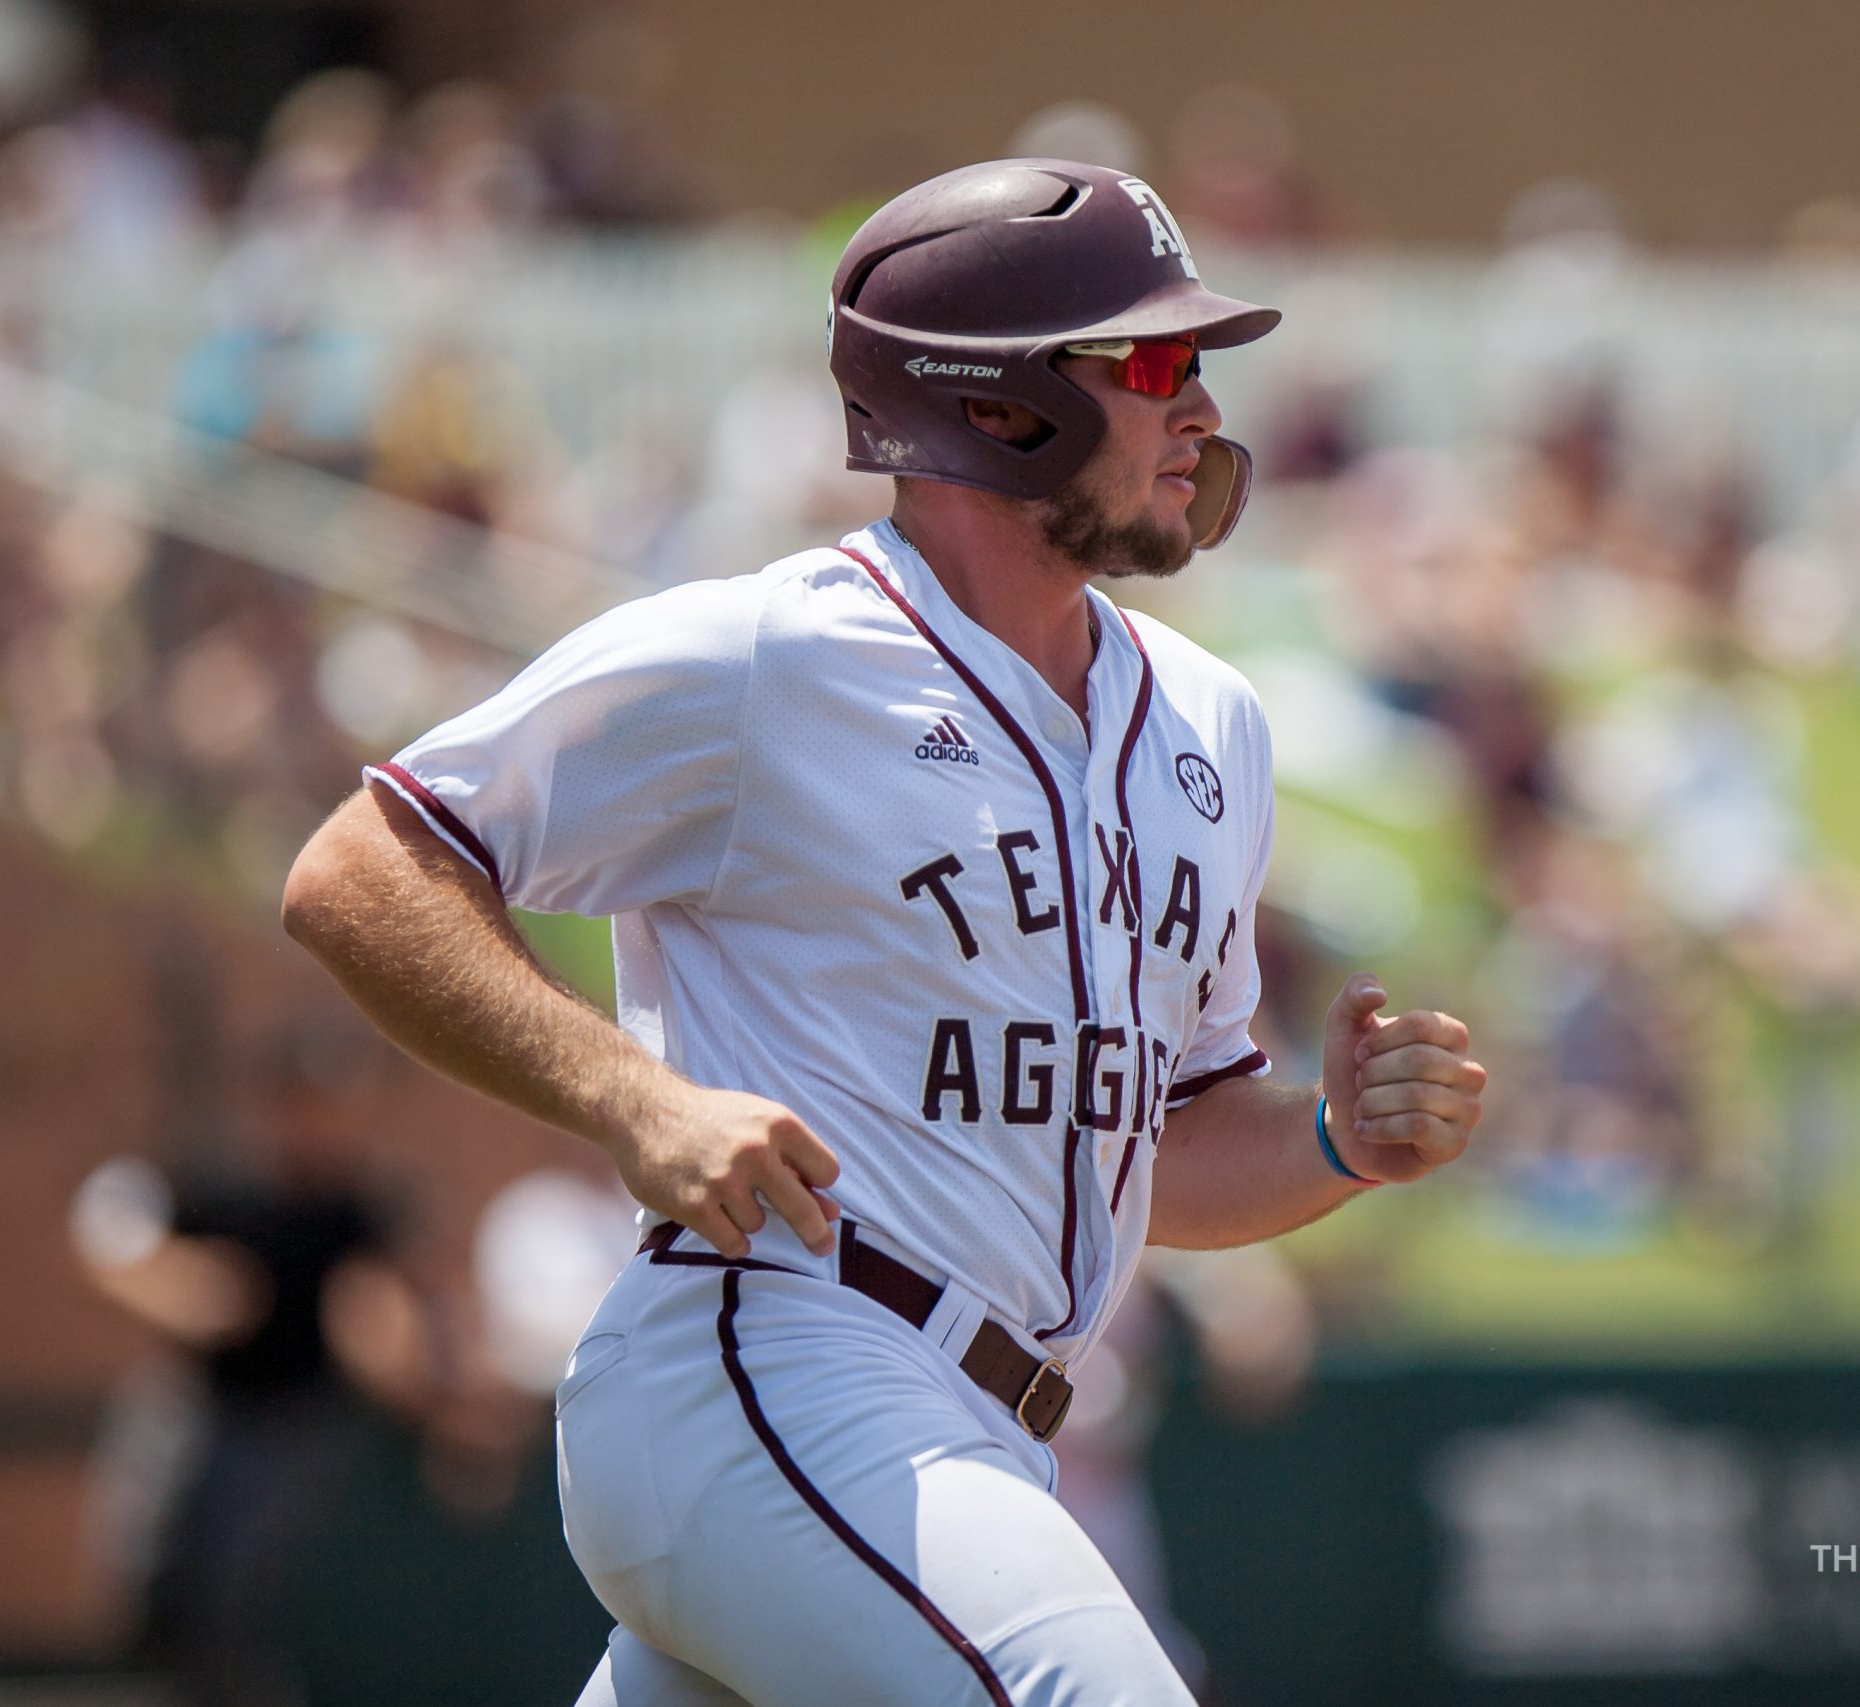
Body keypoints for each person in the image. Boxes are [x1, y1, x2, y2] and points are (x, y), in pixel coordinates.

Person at [279, 157, 1487, 1706]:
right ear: (994, 405)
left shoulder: (1210, 723)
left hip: (981, 1433)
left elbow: (1153, 1151)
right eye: (1149, 358)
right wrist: (632, 1094)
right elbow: (362, 868)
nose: (1199, 404)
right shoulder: (770, 654)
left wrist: (1331, 1134)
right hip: (782, 1361)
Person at [73, 1022, 415, 1706]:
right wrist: (180, 1287)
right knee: (145, 1561)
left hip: (295, 1419)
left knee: (240, 1589)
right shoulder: (218, 1181)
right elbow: (112, 1238)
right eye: (311, 1100)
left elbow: (385, 1306)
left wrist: (396, 1348)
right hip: (194, 1402)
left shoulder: (352, 1207)